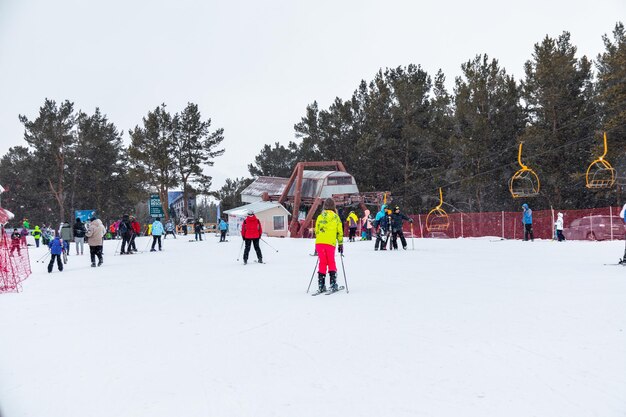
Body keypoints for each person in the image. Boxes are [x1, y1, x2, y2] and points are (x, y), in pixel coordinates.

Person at [314, 198, 344, 293]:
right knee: (331, 262)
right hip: (330, 243)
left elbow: (316, 230)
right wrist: (340, 243)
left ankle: (321, 285)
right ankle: (333, 283)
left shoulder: (320, 216)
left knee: (322, 262)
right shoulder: (335, 217)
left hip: (320, 243)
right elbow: (340, 231)